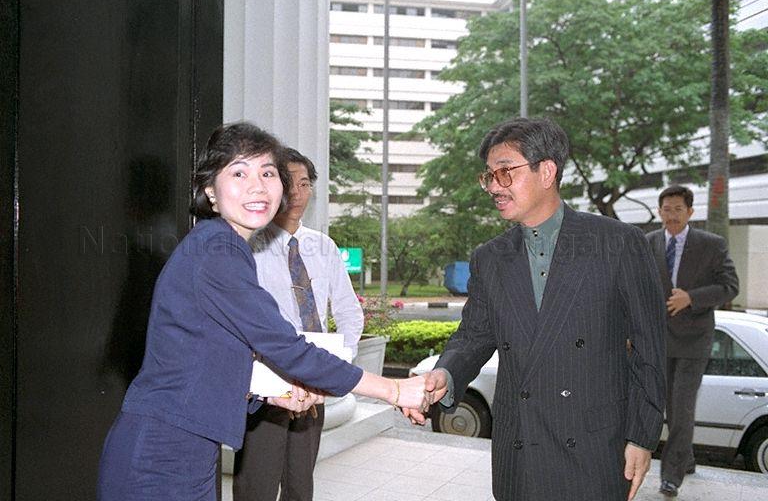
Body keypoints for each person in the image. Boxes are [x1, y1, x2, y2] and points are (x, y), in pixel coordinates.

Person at [97, 122, 427, 501]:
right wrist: (395, 389)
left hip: (184, 447)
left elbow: (204, 355)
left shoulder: (223, 246)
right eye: (239, 172)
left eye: (268, 173)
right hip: (161, 455)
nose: (257, 185)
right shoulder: (217, 252)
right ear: (211, 192)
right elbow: (285, 346)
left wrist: (272, 393)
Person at [405, 117, 667, 501]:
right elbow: (474, 335)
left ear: (547, 171)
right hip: (520, 449)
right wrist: (446, 372)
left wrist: (641, 436)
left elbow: (651, 349)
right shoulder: (491, 257)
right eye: (489, 176)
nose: (494, 186)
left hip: (596, 449)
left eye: (505, 172)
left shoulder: (617, 243)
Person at [233, 149, 364, 501]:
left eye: (305, 183)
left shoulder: (323, 246)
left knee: (300, 486)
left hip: (313, 380)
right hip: (267, 387)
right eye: (288, 182)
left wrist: (338, 362)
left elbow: (351, 313)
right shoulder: (249, 248)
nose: (297, 193)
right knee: (256, 487)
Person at [645, 185, 739, 498]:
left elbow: (729, 286)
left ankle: (670, 477)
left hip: (693, 342)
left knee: (681, 409)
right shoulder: (649, 243)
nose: (671, 215)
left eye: (677, 210)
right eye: (666, 209)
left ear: (690, 213)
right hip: (658, 341)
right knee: (665, 408)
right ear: (659, 212)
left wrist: (692, 298)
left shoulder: (711, 245)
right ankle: (686, 458)